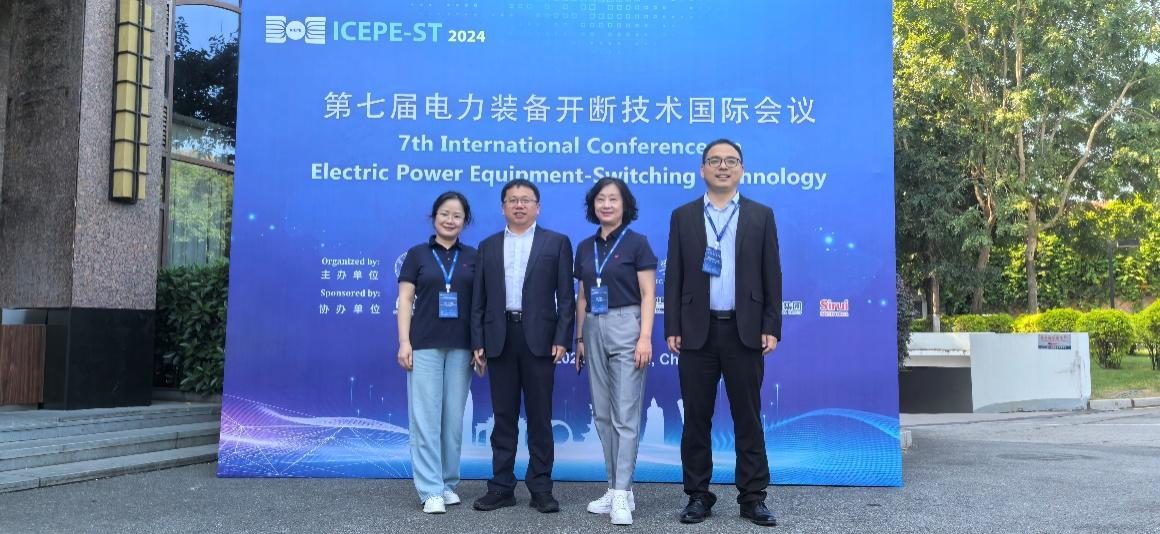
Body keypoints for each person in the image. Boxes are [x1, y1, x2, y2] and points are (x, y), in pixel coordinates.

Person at [664, 139, 782, 527]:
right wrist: (672, 326)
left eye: (731, 160)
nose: (723, 166)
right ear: (702, 169)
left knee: (748, 418)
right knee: (696, 419)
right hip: (696, 332)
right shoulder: (683, 216)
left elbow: (772, 274)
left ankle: (753, 497)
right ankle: (698, 495)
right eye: (714, 160)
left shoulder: (760, 215)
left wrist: (771, 325)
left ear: (742, 170)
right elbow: (675, 274)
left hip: (744, 331)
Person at [470, 179, 575, 513]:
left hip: (540, 340)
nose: (519, 205)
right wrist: (478, 341)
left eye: (526, 200)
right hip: (499, 338)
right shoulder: (487, 246)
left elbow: (566, 297)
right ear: (503, 207)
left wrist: (562, 337)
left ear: (537, 207)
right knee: (503, 418)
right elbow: (478, 300)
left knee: (540, 418)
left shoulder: (556, 242)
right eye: (512, 200)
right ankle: (501, 486)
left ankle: (541, 487)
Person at [573, 177, 657, 526]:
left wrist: (645, 337)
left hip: (627, 324)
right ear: (593, 206)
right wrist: (579, 338)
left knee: (625, 414)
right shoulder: (584, 247)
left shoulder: (637, 243)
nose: (606, 205)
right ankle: (615, 486)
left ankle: (622, 492)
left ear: (625, 205)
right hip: (593, 326)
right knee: (603, 415)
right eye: (600, 199)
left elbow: (649, 294)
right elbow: (582, 295)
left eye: (613, 199)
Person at [396, 191, 479, 514]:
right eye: (444, 213)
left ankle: (446, 483)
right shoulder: (417, 254)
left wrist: (480, 345)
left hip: (462, 347)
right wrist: (404, 342)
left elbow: (480, 304)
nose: (450, 220)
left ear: (464, 221)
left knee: (453, 420)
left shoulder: (473, 256)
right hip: (425, 344)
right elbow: (405, 300)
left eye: (457, 215)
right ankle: (429, 489)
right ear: (434, 217)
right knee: (426, 418)